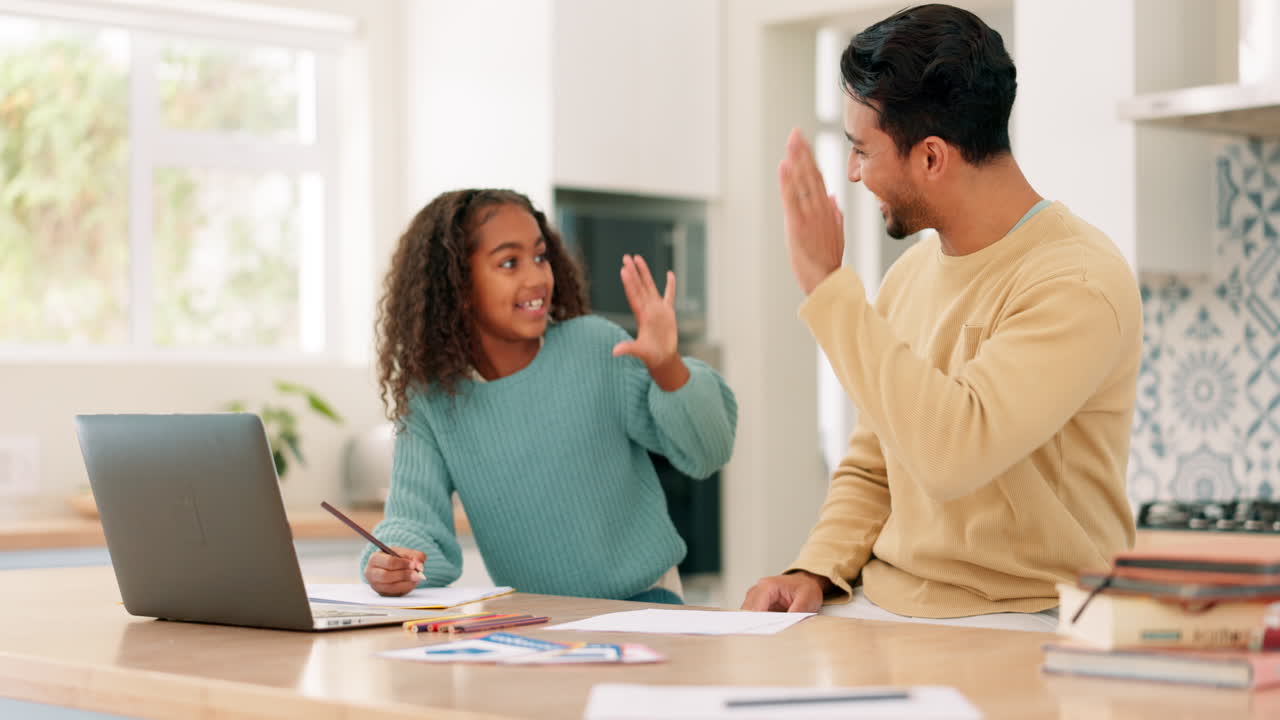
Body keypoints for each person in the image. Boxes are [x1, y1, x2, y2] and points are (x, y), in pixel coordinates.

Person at [741, 4, 1141, 630]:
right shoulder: (910, 276)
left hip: (1034, 617)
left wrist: (827, 285)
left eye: (862, 150)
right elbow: (876, 461)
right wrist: (814, 569)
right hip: (886, 607)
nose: (852, 172)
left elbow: (953, 454)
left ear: (930, 158)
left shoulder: (1077, 280)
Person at [362, 188, 737, 605]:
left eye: (540, 257)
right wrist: (393, 561)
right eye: (509, 262)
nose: (537, 277)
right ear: (456, 286)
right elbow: (414, 525)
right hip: (539, 622)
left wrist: (668, 364)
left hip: (647, 605)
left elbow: (707, 450)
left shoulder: (595, 347)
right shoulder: (433, 400)